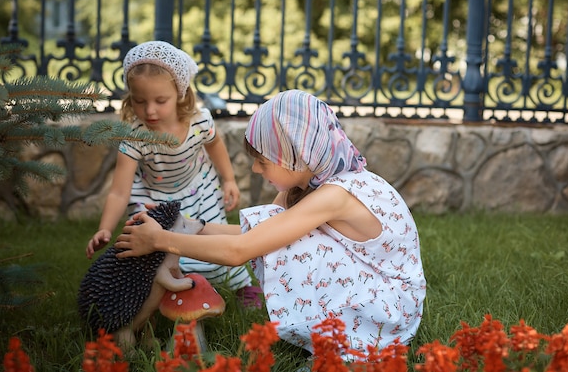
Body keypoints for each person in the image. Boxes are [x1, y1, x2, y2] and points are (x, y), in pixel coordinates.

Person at [115, 89, 426, 358]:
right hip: (372, 289)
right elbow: (255, 234)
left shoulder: (336, 194)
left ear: (298, 155)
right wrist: (181, 224)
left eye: (263, 160)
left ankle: (352, 343)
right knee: (279, 233)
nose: (255, 168)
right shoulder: (312, 181)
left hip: (389, 310)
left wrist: (159, 241)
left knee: (292, 244)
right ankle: (332, 329)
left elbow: (240, 250)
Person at [85, 40, 261, 307]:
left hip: (199, 188)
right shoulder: (135, 136)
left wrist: (228, 179)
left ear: (180, 92)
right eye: (139, 101)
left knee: (216, 240)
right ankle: (161, 296)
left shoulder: (199, 121)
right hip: (153, 196)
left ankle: (241, 286)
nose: (150, 110)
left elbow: (215, 145)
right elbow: (119, 191)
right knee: (153, 251)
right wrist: (104, 229)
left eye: (160, 100)